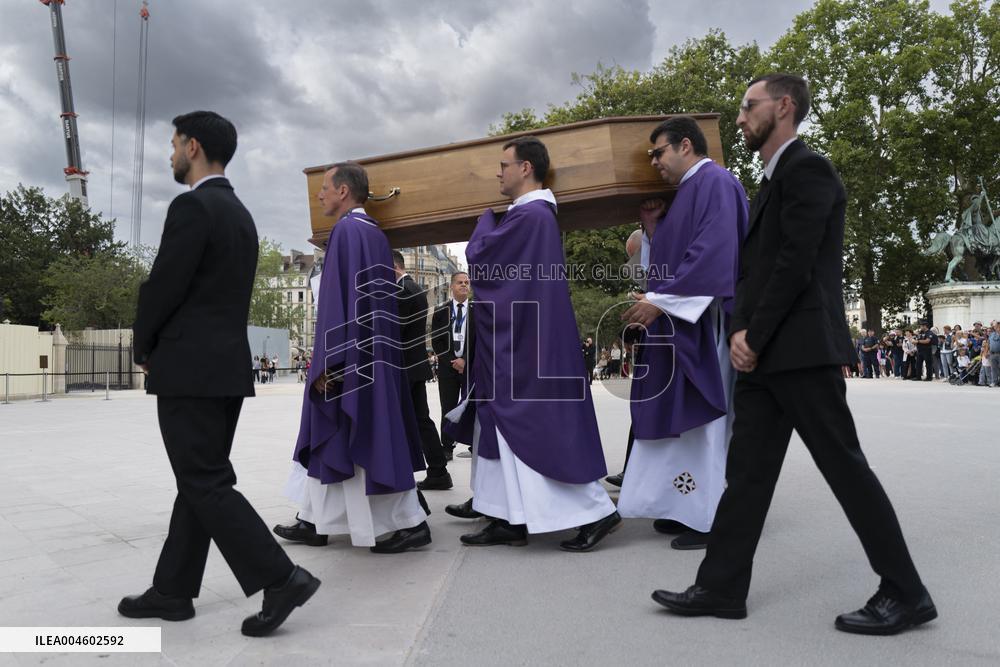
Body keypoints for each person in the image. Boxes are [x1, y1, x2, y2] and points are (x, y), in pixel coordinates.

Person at [651, 74, 935, 635]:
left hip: (800, 351)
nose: (739, 117)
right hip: (765, 354)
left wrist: (751, 335)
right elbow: (751, 270)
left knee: (845, 469)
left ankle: (906, 593)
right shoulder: (770, 181)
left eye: (748, 106)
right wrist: (740, 329)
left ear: (783, 107)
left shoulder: (809, 170)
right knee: (747, 476)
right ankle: (721, 587)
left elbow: (796, 264)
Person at [120, 111, 319, 637]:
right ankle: (172, 590)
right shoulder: (240, 214)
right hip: (226, 369)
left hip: (189, 368)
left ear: (193, 146)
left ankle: (282, 578)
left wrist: (144, 344)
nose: (170, 153)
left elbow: (164, 285)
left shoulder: (193, 206)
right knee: (199, 478)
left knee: (204, 480)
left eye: (174, 143)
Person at [446, 136, 621, 551]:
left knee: (541, 430)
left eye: (503, 165)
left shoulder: (531, 216)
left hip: (528, 345)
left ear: (526, 168)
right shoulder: (531, 216)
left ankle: (597, 512)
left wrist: (483, 223)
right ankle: (508, 517)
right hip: (521, 340)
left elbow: (484, 259)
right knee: (506, 430)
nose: (497, 173)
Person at [274, 162, 431, 554]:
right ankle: (315, 520)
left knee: (346, 434)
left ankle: (410, 522)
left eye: (324, 188)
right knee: (364, 436)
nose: (319, 195)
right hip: (373, 353)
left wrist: (327, 363)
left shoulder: (345, 232)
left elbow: (336, 304)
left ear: (343, 191)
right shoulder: (376, 235)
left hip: (349, 357)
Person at [618, 116, 747, 550]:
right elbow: (675, 258)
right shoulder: (688, 192)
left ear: (685, 145)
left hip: (702, 325)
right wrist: (655, 230)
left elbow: (715, 253)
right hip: (680, 323)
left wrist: (662, 302)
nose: (653, 162)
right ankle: (682, 506)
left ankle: (710, 518)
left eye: (658, 152)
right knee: (681, 427)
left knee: (705, 426)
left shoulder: (716, 182)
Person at [393, 250, 453, 491]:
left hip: (405, 367)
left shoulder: (402, 290)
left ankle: (402, 473)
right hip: (415, 366)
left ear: (393, 267)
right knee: (421, 420)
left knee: (404, 421)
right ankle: (438, 471)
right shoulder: (413, 287)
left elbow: (394, 330)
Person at [431, 272, 474, 462]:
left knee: (472, 407)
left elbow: (479, 340)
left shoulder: (477, 310)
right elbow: (437, 340)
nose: (464, 285)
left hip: (470, 369)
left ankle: (474, 444)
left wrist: (464, 360)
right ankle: (446, 447)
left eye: (466, 282)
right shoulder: (441, 311)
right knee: (447, 407)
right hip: (448, 369)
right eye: (460, 282)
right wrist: (452, 361)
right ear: (451, 286)